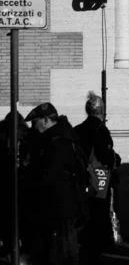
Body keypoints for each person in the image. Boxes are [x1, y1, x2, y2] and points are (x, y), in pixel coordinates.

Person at [25, 102, 88, 265]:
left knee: (60, 254)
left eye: (35, 122)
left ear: (45, 120)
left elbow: (49, 177)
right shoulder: (64, 134)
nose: (33, 127)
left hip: (59, 208)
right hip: (66, 207)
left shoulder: (56, 142)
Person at [74, 92, 121, 264]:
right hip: (99, 182)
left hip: (81, 180)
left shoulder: (77, 129)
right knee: (98, 216)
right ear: (102, 111)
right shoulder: (101, 130)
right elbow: (106, 157)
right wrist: (116, 159)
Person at [0, 112, 37, 261]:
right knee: (23, 218)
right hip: (23, 184)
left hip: (4, 183)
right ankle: (23, 250)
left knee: (6, 219)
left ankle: (9, 248)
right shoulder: (27, 135)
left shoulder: (2, 134)